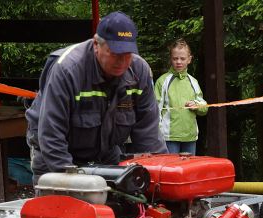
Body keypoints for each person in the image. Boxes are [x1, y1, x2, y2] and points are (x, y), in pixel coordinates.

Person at [25, 11, 167, 184]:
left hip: (106, 154)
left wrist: (159, 179)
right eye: (115, 54)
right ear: (96, 45)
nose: (122, 62)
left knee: (128, 205)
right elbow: (51, 135)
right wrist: (77, 185)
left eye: (127, 55)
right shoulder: (68, 70)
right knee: (64, 206)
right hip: (54, 155)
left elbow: (149, 135)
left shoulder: (139, 71)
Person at [154, 38, 208, 154]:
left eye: (182, 58)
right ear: (171, 59)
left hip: (190, 137)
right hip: (169, 137)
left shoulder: (193, 82)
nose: (178, 62)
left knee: (189, 172)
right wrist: (157, 135)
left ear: (189, 59)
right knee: (171, 171)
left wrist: (197, 105)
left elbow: (204, 107)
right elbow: (155, 110)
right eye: (175, 58)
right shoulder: (162, 81)